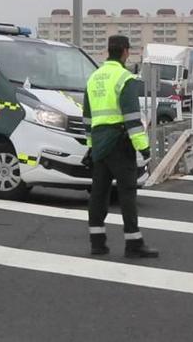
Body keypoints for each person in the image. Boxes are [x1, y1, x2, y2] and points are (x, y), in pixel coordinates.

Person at [82, 35, 158, 258]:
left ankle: (97, 243)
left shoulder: (94, 78)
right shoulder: (125, 78)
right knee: (127, 193)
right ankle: (133, 243)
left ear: (109, 51)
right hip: (119, 142)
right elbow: (132, 118)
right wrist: (144, 147)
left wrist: (91, 144)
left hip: (99, 143)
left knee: (99, 193)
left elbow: (87, 116)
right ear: (125, 52)